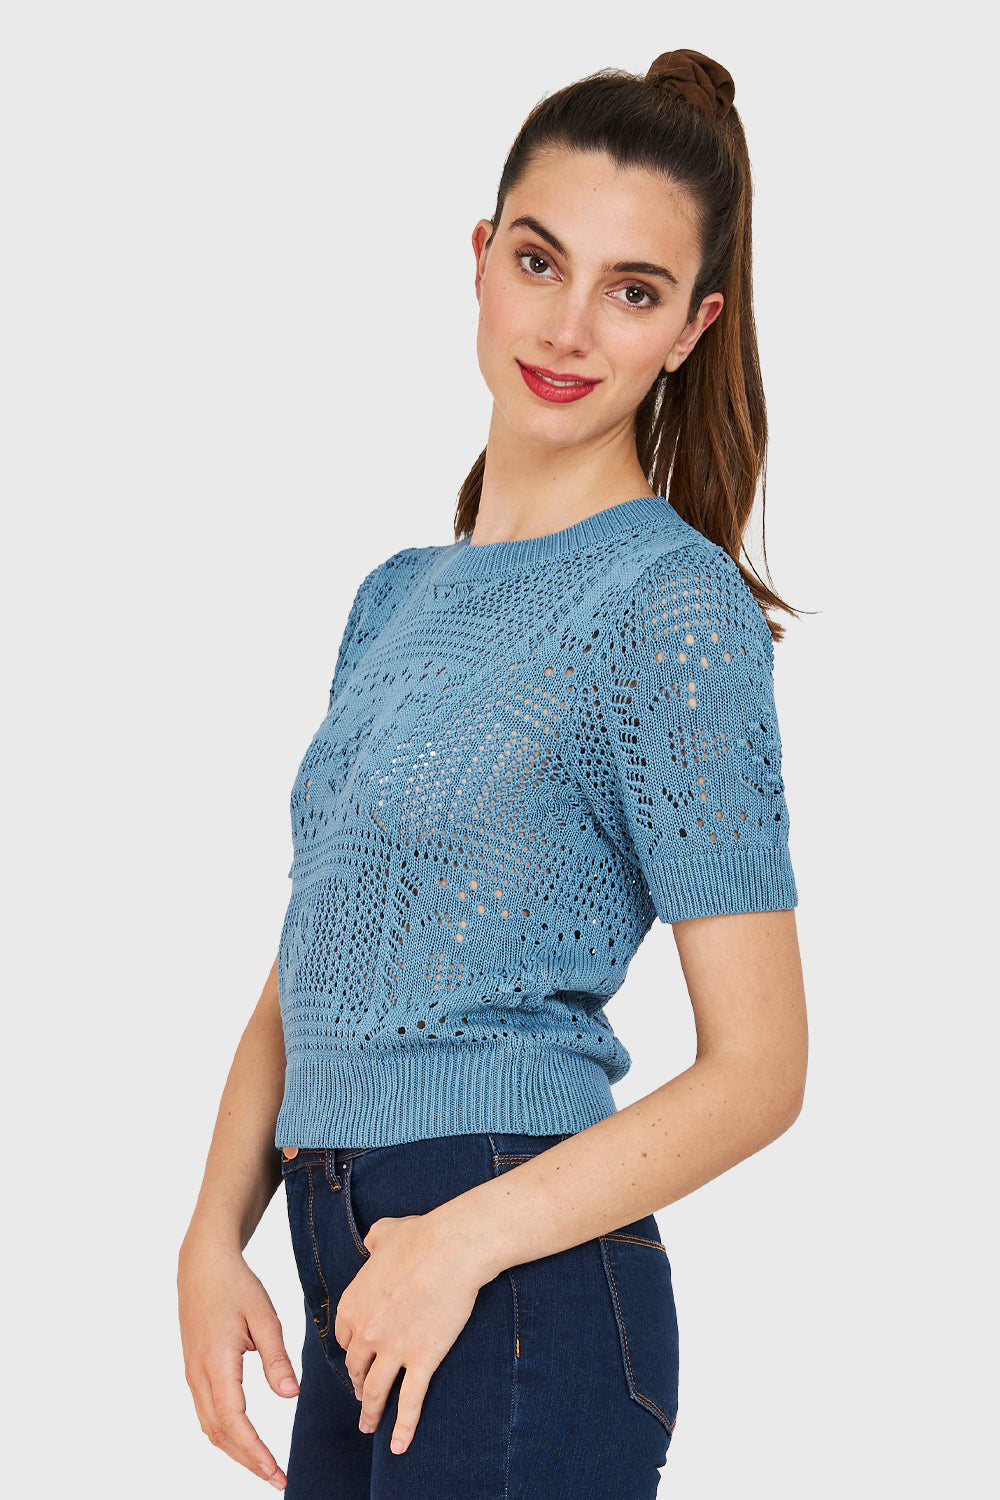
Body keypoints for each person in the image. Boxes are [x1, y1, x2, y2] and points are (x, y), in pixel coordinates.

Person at [178, 47, 809, 1500]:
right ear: (480, 256)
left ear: (692, 329)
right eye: (540, 261)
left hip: (510, 1275)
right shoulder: (393, 600)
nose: (569, 327)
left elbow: (763, 1068)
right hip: (358, 1275)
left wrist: (461, 1240)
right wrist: (214, 1236)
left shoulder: (670, 605)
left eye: (633, 291)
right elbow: (315, 954)